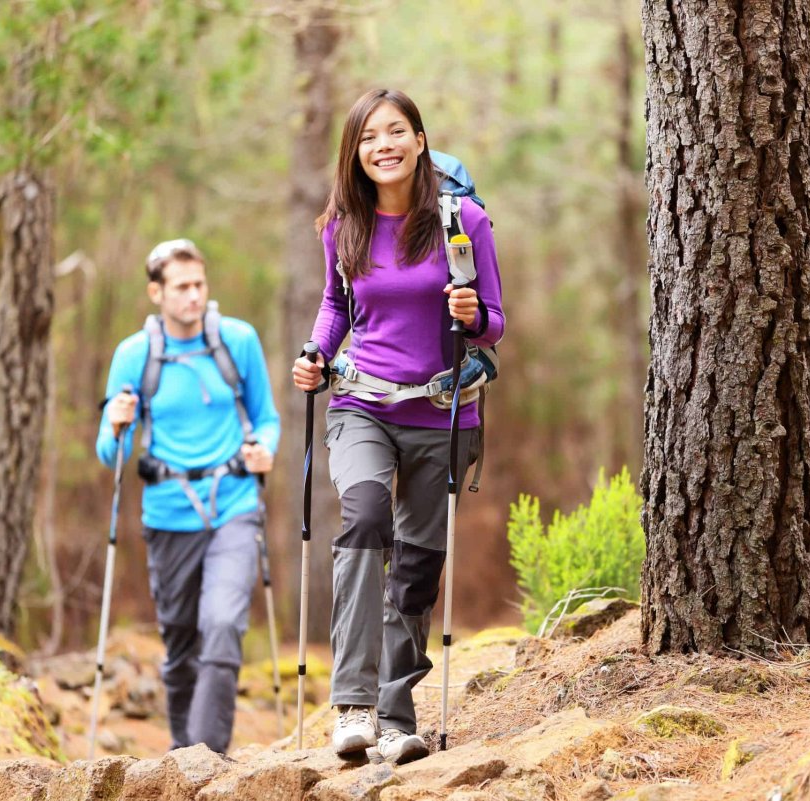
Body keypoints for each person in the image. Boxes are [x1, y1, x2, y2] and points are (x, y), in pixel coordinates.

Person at [292, 88, 505, 765]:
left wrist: (470, 313)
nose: (383, 145)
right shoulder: (342, 223)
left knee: (415, 564)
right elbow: (337, 305)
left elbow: (494, 321)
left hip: (443, 412)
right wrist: (317, 353)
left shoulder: (461, 220)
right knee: (361, 517)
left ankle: (395, 713)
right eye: (368, 137)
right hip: (362, 405)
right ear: (355, 153)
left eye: (395, 132)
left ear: (419, 139)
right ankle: (352, 704)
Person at [96, 238, 281, 754]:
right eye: (181, 287)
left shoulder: (237, 340)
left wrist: (264, 449)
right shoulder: (135, 356)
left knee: (222, 625)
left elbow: (266, 417)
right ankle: (183, 754)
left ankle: (207, 758)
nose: (194, 296)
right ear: (156, 292)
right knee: (180, 642)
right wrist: (115, 426)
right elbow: (111, 457)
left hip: (236, 504)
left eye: (200, 284)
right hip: (168, 514)